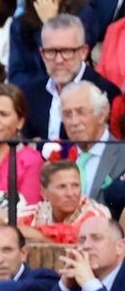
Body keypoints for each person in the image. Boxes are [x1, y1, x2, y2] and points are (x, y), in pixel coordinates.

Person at [6, 0, 96, 87]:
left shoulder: (83, 15)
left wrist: (49, 23)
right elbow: (17, 76)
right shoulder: (21, 23)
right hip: (35, 94)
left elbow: (75, 65)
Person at [20, 13, 119, 139]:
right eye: (50, 52)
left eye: (67, 51)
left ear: (83, 52)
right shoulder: (30, 94)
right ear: (42, 53)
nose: (59, 60)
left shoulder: (106, 93)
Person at [61, 81, 125, 212]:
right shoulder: (59, 157)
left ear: (102, 114)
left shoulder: (122, 155)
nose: (74, 122)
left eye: (81, 112)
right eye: (68, 114)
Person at [18, 158, 111, 235]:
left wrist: (31, 233)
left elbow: (73, 236)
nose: (70, 193)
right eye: (62, 187)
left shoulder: (97, 214)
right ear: (44, 193)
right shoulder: (36, 212)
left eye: (75, 185)